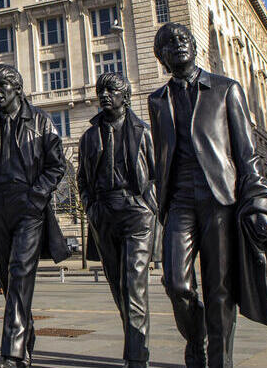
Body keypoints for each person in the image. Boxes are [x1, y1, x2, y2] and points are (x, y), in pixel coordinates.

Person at [148, 23, 267, 367]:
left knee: (219, 290)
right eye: (169, 43)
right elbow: (162, 156)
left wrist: (256, 199)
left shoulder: (225, 89)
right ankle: (196, 340)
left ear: (194, 47)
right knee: (176, 283)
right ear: (161, 56)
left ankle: (220, 361)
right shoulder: (157, 101)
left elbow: (246, 153)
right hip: (179, 201)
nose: (178, 44)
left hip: (220, 199)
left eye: (183, 39)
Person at [0, 64, 71, 368]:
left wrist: (37, 195)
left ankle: (13, 354)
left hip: (28, 207)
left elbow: (57, 165)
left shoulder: (41, 121)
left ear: (17, 87)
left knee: (19, 273)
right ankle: (25, 338)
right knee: (8, 280)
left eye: (2, 85)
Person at [77, 72, 157, 368]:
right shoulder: (89, 137)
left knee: (134, 284)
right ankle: (134, 344)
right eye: (101, 90)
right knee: (118, 286)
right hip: (104, 213)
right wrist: (90, 207)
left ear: (126, 96)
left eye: (111, 90)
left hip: (137, 212)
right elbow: (82, 179)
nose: (105, 95)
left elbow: (157, 174)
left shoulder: (143, 131)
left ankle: (137, 357)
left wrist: (150, 206)